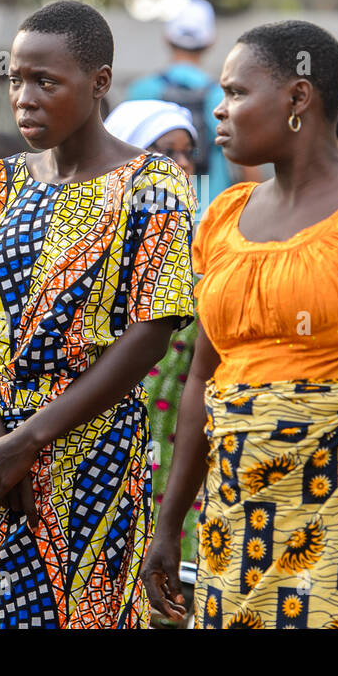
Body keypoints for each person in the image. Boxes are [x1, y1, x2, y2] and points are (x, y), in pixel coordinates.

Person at [142, 20, 338, 629]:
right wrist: (169, 523)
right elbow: (202, 382)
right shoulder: (224, 217)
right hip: (233, 514)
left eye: (236, 93)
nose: (219, 112)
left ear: (297, 99)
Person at [0, 1, 196, 628]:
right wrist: (0, 437)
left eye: (45, 82)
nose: (24, 98)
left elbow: (151, 333)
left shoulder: (153, 183)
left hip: (95, 457)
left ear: (100, 83)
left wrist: (32, 439)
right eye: (15, 80)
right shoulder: (4, 181)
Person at [103, 100, 202, 584]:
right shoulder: (97, 240)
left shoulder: (205, 234)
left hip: (188, 428)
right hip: (117, 425)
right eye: (166, 152)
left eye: (188, 154)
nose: (181, 167)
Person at [127, 0, 260, 215]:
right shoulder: (223, 95)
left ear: (167, 37)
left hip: (151, 217)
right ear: (210, 42)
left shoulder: (141, 91)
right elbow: (249, 164)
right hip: (211, 215)